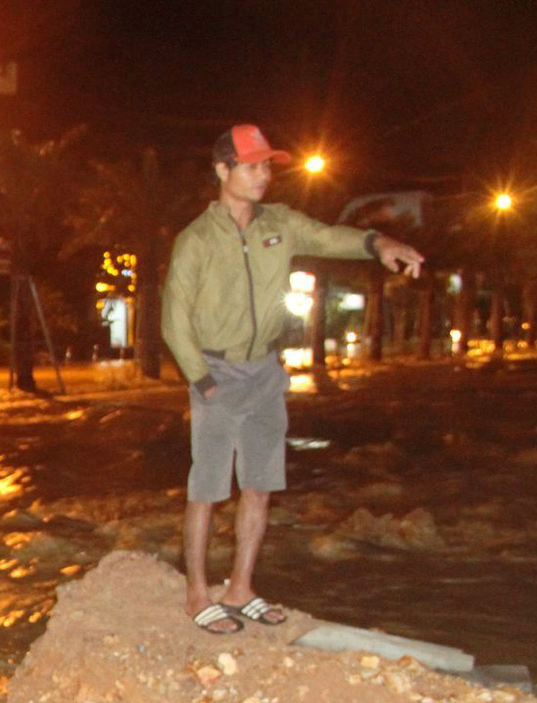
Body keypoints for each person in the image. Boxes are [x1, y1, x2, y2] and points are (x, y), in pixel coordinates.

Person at [162, 124, 424, 635]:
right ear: (223, 170)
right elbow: (174, 321)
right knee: (208, 490)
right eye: (252, 165)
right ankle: (197, 594)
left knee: (259, 486)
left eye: (267, 166)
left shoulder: (278, 223)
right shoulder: (195, 240)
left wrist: (378, 242)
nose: (263, 175)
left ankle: (240, 587)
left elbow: (330, 237)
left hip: (265, 372)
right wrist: (203, 381)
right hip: (216, 371)